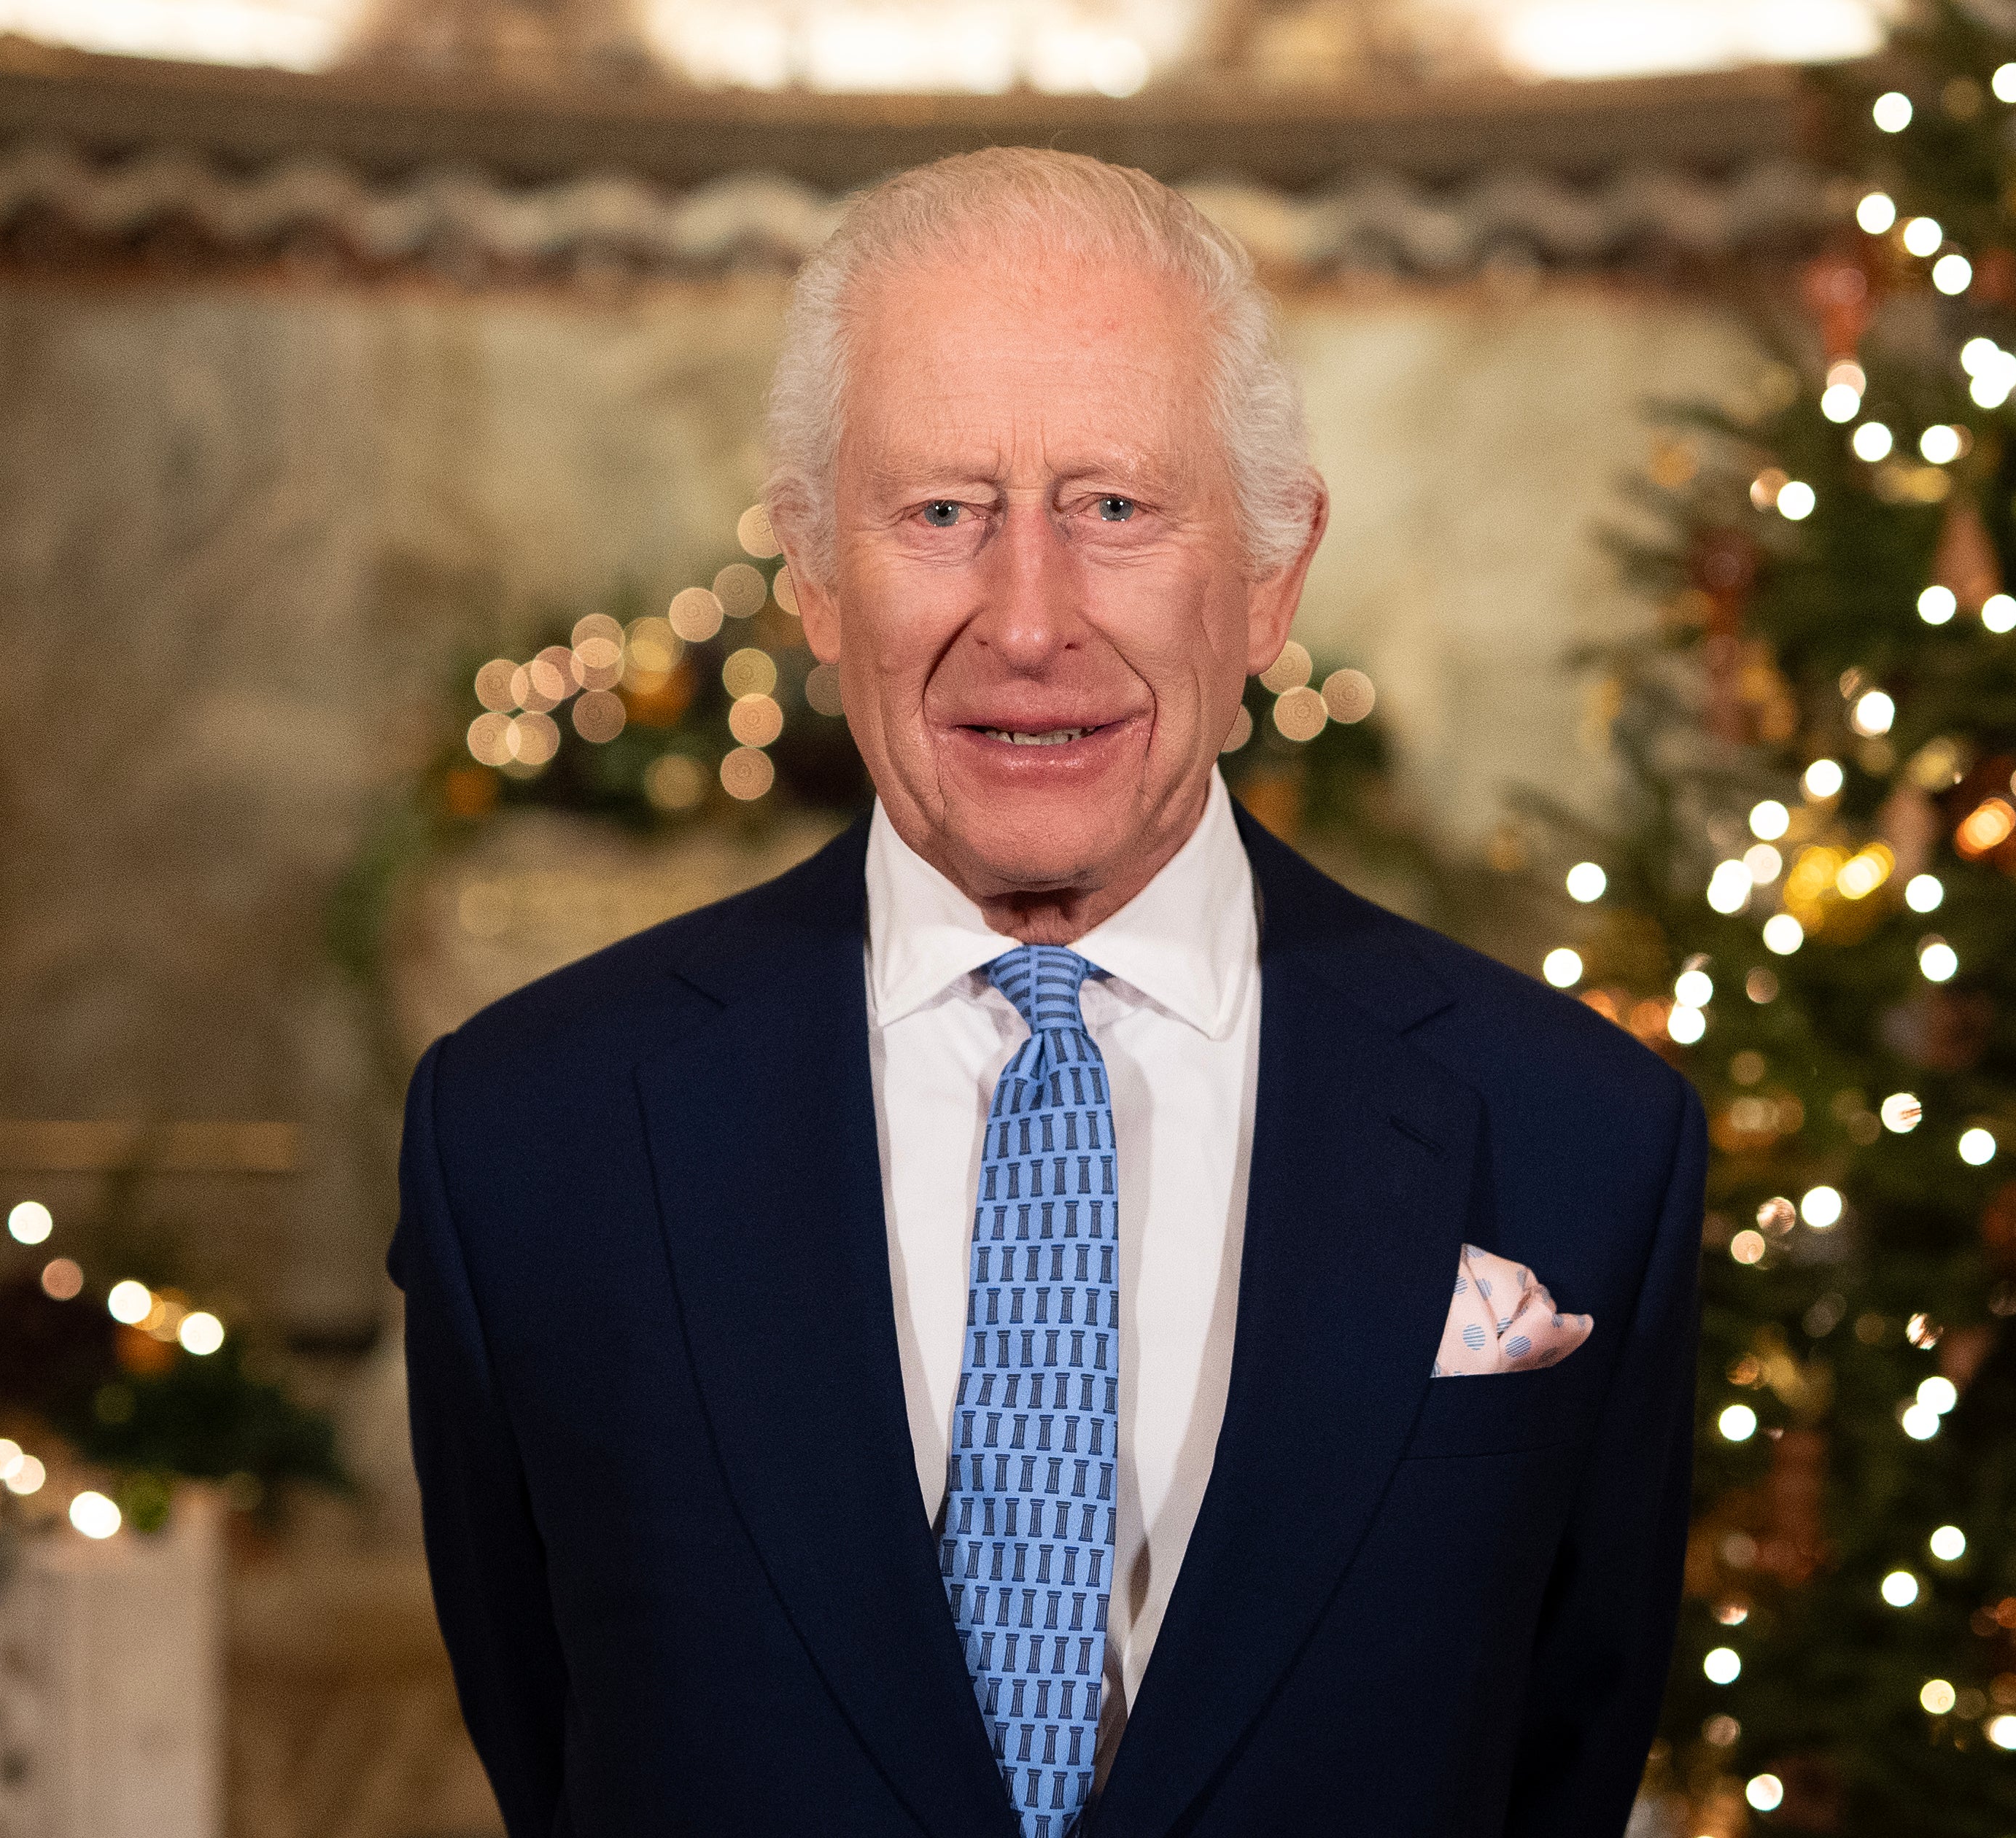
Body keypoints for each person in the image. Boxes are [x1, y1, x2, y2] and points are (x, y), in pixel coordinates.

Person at [391, 147, 1703, 1838]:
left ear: (1272, 575)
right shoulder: (527, 1141)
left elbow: (1560, 1757)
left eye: (1116, 508)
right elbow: (553, 1741)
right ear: (812, 571)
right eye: (942, 512)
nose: (1028, 621)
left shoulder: (1584, 1142)